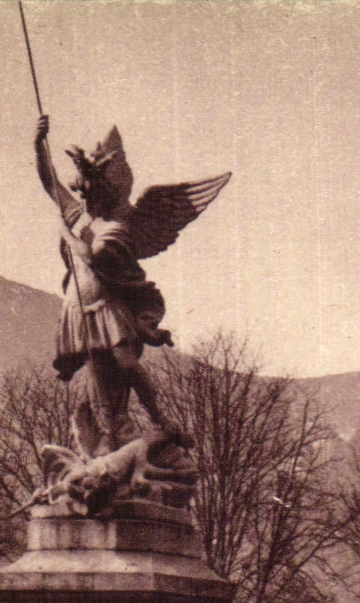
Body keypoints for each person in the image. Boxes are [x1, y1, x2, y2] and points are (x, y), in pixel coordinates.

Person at [34, 116, 230, 457]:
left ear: (107, 192)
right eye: (83, 191)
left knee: (125, 363)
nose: (86, 198)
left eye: (93, 192)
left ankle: (160, 418)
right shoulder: (79, 216)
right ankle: (108, 436)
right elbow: (49, 180)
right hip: (79, 308)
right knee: (98, 377)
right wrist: (39, 143)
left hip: (107, 306)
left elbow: (92, 256)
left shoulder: (117, 226)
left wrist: (64, 232)